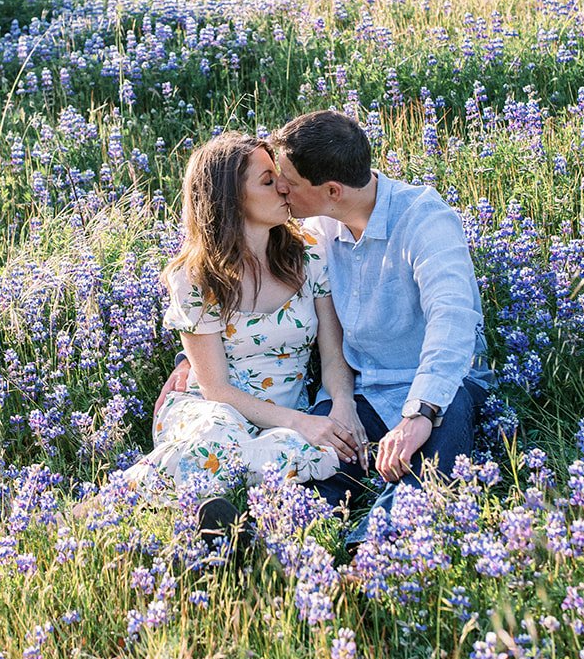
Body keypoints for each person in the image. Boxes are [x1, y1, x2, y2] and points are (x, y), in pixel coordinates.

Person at [161, 111, 491, 539]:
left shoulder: (424, 221)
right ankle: (252, 543)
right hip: (360, 388)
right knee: (323, 465)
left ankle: (371, 553)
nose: (282, 186)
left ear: (331, 191)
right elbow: (221, 279)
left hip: (437, 384)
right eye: (274, 179)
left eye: (289, 182)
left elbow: (453, 322)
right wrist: (194, 362)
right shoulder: (316, 230)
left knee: (435, 442)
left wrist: (419, 413)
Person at [111, 132, 365, 536]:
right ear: (230, 199)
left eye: (279, 175)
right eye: (267, 181)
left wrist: (342, 406)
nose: (283, 186)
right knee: (219, 430)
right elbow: (217, 391)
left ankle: (215, 523)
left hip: (280, 417)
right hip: (210, 409)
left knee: (321, 450)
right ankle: (118, 503)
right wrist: (301, 422)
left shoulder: (311, 254)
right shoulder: (193, 277)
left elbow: (333, 355)